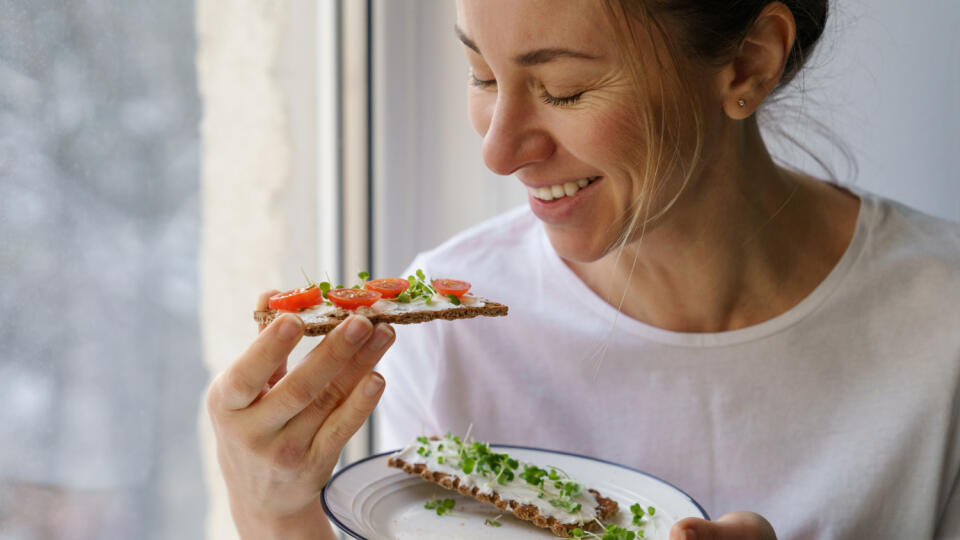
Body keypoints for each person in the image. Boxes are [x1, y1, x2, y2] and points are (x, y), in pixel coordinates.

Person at [205, 0, 960, 538]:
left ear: (747, 63)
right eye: (481, 76)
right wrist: (274, 515)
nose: (498, 152)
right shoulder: (453, 344)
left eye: (563, 88)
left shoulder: (941, 324)